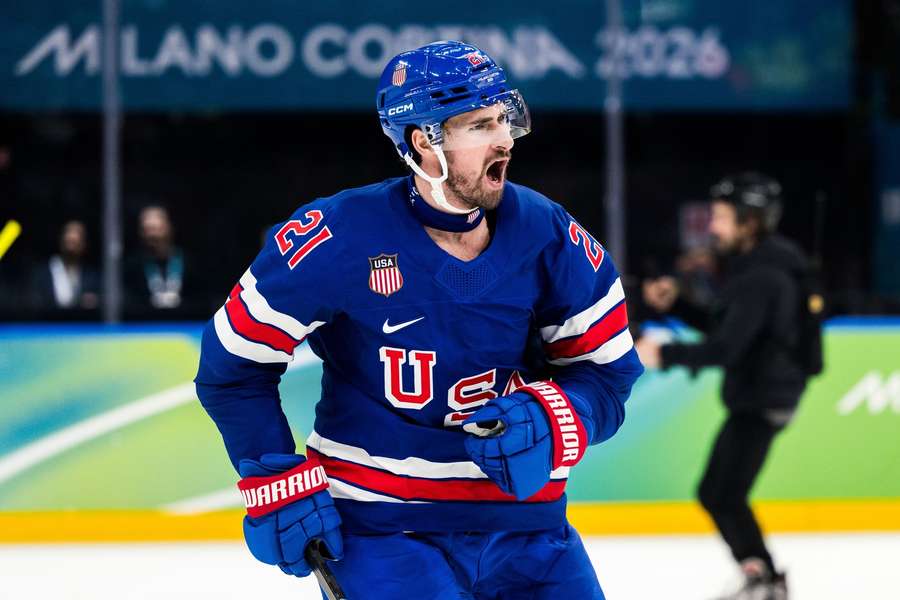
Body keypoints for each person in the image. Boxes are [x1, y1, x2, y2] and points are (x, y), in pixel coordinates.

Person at [195, 41, 643, 599]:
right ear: (423, 140)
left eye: (504, 119)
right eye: (480, 124)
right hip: (383, 533)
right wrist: (274, 477)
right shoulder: (335, 236)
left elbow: (608, 377)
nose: (504, 137)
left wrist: (561, 418)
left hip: (531, 531)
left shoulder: (552, 236)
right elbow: (232, 367)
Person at [635, 172, 819, 600]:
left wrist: (664, 354)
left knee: (722, 493)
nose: (713, 227)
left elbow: (726, 348)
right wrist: (676, 304)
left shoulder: (764, 275)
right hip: (760, 396)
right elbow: (728, 328)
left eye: (720, 217)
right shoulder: (760, 266)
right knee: (721, 492)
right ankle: (762, 575)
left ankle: (766, 579)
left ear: (748, 222)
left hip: (762, 400)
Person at [125, 205, 190, 314]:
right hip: (145, 325)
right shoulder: (132, 266)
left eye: (157, 229)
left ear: (169, 228)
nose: (152, 235)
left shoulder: (188, 263)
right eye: (147, 230)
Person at [30, 220, 99, 311]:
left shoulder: (91, 276)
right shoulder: (43, 273)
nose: (72, 248)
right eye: (69, 242)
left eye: (76, 243)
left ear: (84, 245)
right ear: (61, 241)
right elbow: (34, 303)